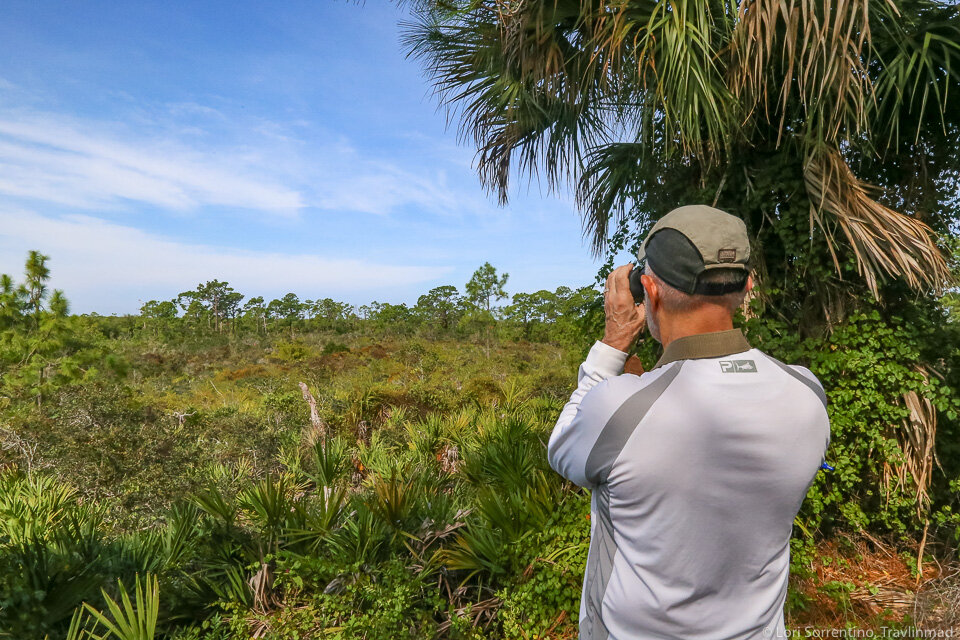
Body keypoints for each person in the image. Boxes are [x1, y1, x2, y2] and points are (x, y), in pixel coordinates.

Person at [547, 205, 831, 640]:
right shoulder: (807, 392)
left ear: (650, 291)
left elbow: (563, 448)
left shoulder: (621, 408)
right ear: (747, 286)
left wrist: (615, 340)